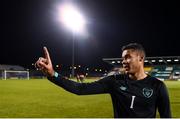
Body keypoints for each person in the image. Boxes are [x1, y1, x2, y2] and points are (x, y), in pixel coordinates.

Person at [35, 43, 171, 118]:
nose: (123, 62)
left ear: (141, 59)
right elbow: (80, 89)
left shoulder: (157, 86)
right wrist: (53, 74)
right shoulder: (114, 81)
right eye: (123, 58)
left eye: (128, 57)